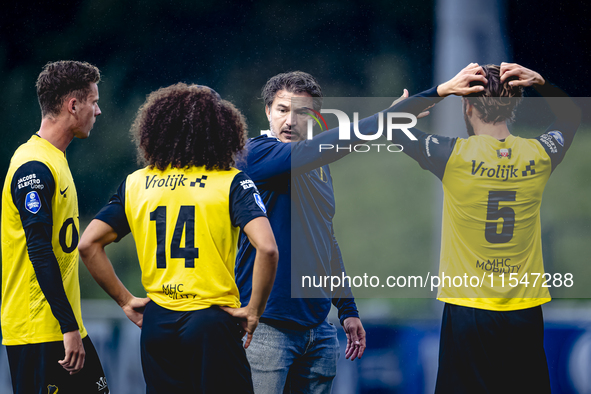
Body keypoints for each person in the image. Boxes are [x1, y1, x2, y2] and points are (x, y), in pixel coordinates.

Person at [385, 62, 581, 393]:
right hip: (524, 312)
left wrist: (440, 90)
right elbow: (571, 116)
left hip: (468, 311)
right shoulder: (539, 154)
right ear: (515, 104)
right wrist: (543, 83)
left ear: (467, 103)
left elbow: (388, 123)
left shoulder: (452, 156)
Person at [78, 83, 278, 393]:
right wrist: (253, 311)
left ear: (157, 129)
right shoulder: (231, 181)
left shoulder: (136, 183)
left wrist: (126, 300)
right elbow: (266, 248)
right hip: (211, 321)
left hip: (157, 324)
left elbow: (88, 244)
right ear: (220, 127)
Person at [232, 71, 390, 393]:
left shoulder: (320, 168)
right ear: (267, 111)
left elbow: (325, 240)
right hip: (266, 325)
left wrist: (346, 309)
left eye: (302, 112)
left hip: (319, 328)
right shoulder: (255, 154)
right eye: (282, 110)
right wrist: (388, 119)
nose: (290, 121)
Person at [1, 60, 110, 393]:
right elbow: (38, 250)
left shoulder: (54, 158)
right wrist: (69, 327)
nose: (99, 110)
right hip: (41, 331)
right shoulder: (33, 166)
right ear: (73, 106)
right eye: (93, 101)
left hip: (61, 328)